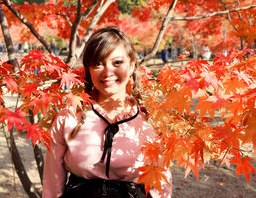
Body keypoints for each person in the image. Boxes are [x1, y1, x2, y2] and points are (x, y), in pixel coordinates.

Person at [42, 26, 172, 198]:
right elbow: (52, 183)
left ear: (132, 65)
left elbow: (161, 185)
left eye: (117, 62)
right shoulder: (70, 117)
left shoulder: (151, 119)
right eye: (98, 63)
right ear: (88, 69)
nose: (108, 72)